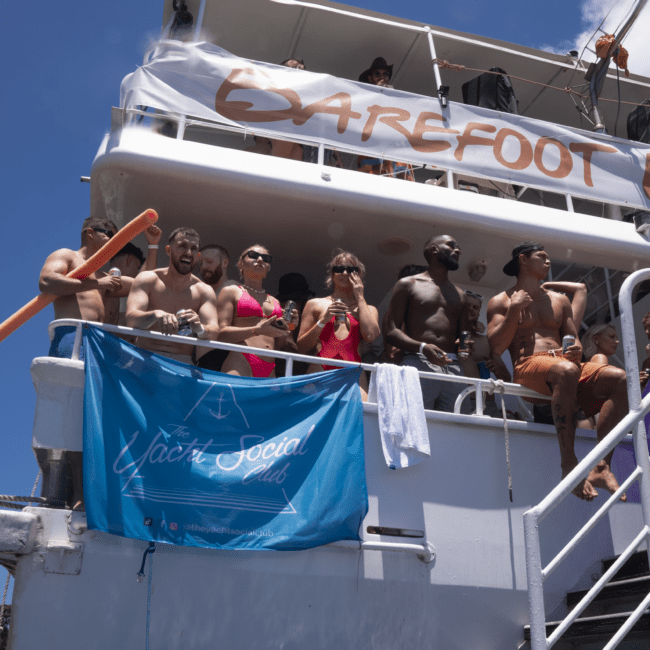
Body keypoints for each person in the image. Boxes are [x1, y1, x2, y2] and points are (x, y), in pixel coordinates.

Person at [487, 242, 628, 502]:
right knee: (565, 370)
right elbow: (496, 347)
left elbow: (572, 339)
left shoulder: (560, 301)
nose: (549, 261)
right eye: (542, 257)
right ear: (523, 260)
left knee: (620, 379)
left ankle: (601, 465)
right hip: (528, 365)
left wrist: (574, 349)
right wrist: (514, 309)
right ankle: (569, 464)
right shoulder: (502, 300)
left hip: (564, 365)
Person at [384, 235, 473, 413]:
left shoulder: (461, 295)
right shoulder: (407, 284)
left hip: (453, 367)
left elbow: (465, 335)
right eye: (451, 245)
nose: (458, 250)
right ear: (434, 249)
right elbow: (390, 331)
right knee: (412, 427)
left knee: (456, 432)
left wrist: (465, 346)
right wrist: (423, 347)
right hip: (417, 361)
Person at [126, 228, 218, 364]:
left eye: (193, 249)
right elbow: (131, 319)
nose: (188, 253)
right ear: (168, 250)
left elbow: (214, 330)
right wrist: (155, 315)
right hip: (144, 357)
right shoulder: (148, 279)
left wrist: (200, 328)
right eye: (182, 246)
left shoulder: (204, 291)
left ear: (198, 257)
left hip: (182, 363)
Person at [297, 250, 380, 400]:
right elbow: (302, 348)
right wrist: (323, 320)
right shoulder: (315, 304)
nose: (345, 273)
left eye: (351, 269)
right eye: (339, 269)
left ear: (359, 274)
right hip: (319, 374)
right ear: (332, 274)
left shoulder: (368, 309)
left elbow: (370, 335)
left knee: (356, 420)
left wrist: (360, 296)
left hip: (353, 377)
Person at [39, 217, 123, 360]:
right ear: (90, 233)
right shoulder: (67, 255)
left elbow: (143, 284)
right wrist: (97, 284)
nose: (114, 242)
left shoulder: (102, 275)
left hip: (98, 341)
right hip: (73, 335)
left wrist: (153, 245)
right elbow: (46, 281)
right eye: (110, 235)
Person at [217, 245, 298, 377]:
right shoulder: (231, 291)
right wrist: (257, 330)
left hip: (269, 366)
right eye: (253, 255)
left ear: (267, 269)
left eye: (266, 258)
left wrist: (290, 326)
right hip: (241, 361)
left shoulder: (275, 301)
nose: (260, 259)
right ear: (240, 264)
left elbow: (278, 346)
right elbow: (220, 335)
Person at [357, 57, 414, 182]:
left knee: (404, 183)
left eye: (385, 74)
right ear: (370, 78)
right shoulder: (362, 97)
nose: (382, 77)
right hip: (371, 147)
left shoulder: (397, 97)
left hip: (396, 149)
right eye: (377, 74)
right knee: (371, 182)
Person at [459, 290, 511, 417]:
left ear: (478, 313)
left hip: (489, 404)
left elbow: (507, 379)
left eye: (475, 307)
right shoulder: (450, 337)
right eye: (467, 305)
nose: (471, 309)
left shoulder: (486, 341)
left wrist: (496, 369)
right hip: (461, 401)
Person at [104, 225, 162, 326]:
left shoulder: (99, 280)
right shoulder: (103, 282)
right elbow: (145, 283)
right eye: (137, 267)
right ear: (130, 260)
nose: (137, 273)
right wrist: (153, 245)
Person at [194, 244, 238, 370]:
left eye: (209, 261)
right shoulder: (201, 291)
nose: (203, 267)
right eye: (200, 263)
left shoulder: (235, 288)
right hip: (200, 362)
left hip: (223, 361)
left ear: (224, 263)